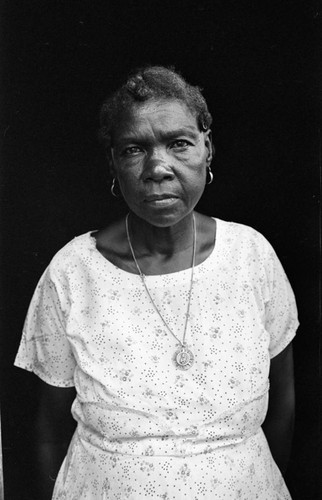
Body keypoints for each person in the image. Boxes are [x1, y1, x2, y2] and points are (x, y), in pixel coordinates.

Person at [14, 66, 299, 499]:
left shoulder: (251, 255)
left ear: (208, 149)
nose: (158, 168)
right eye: (134, 149)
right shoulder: (73, 271)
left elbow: (283, 406)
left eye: (179, 143)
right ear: (113, 162)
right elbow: (48, 430)